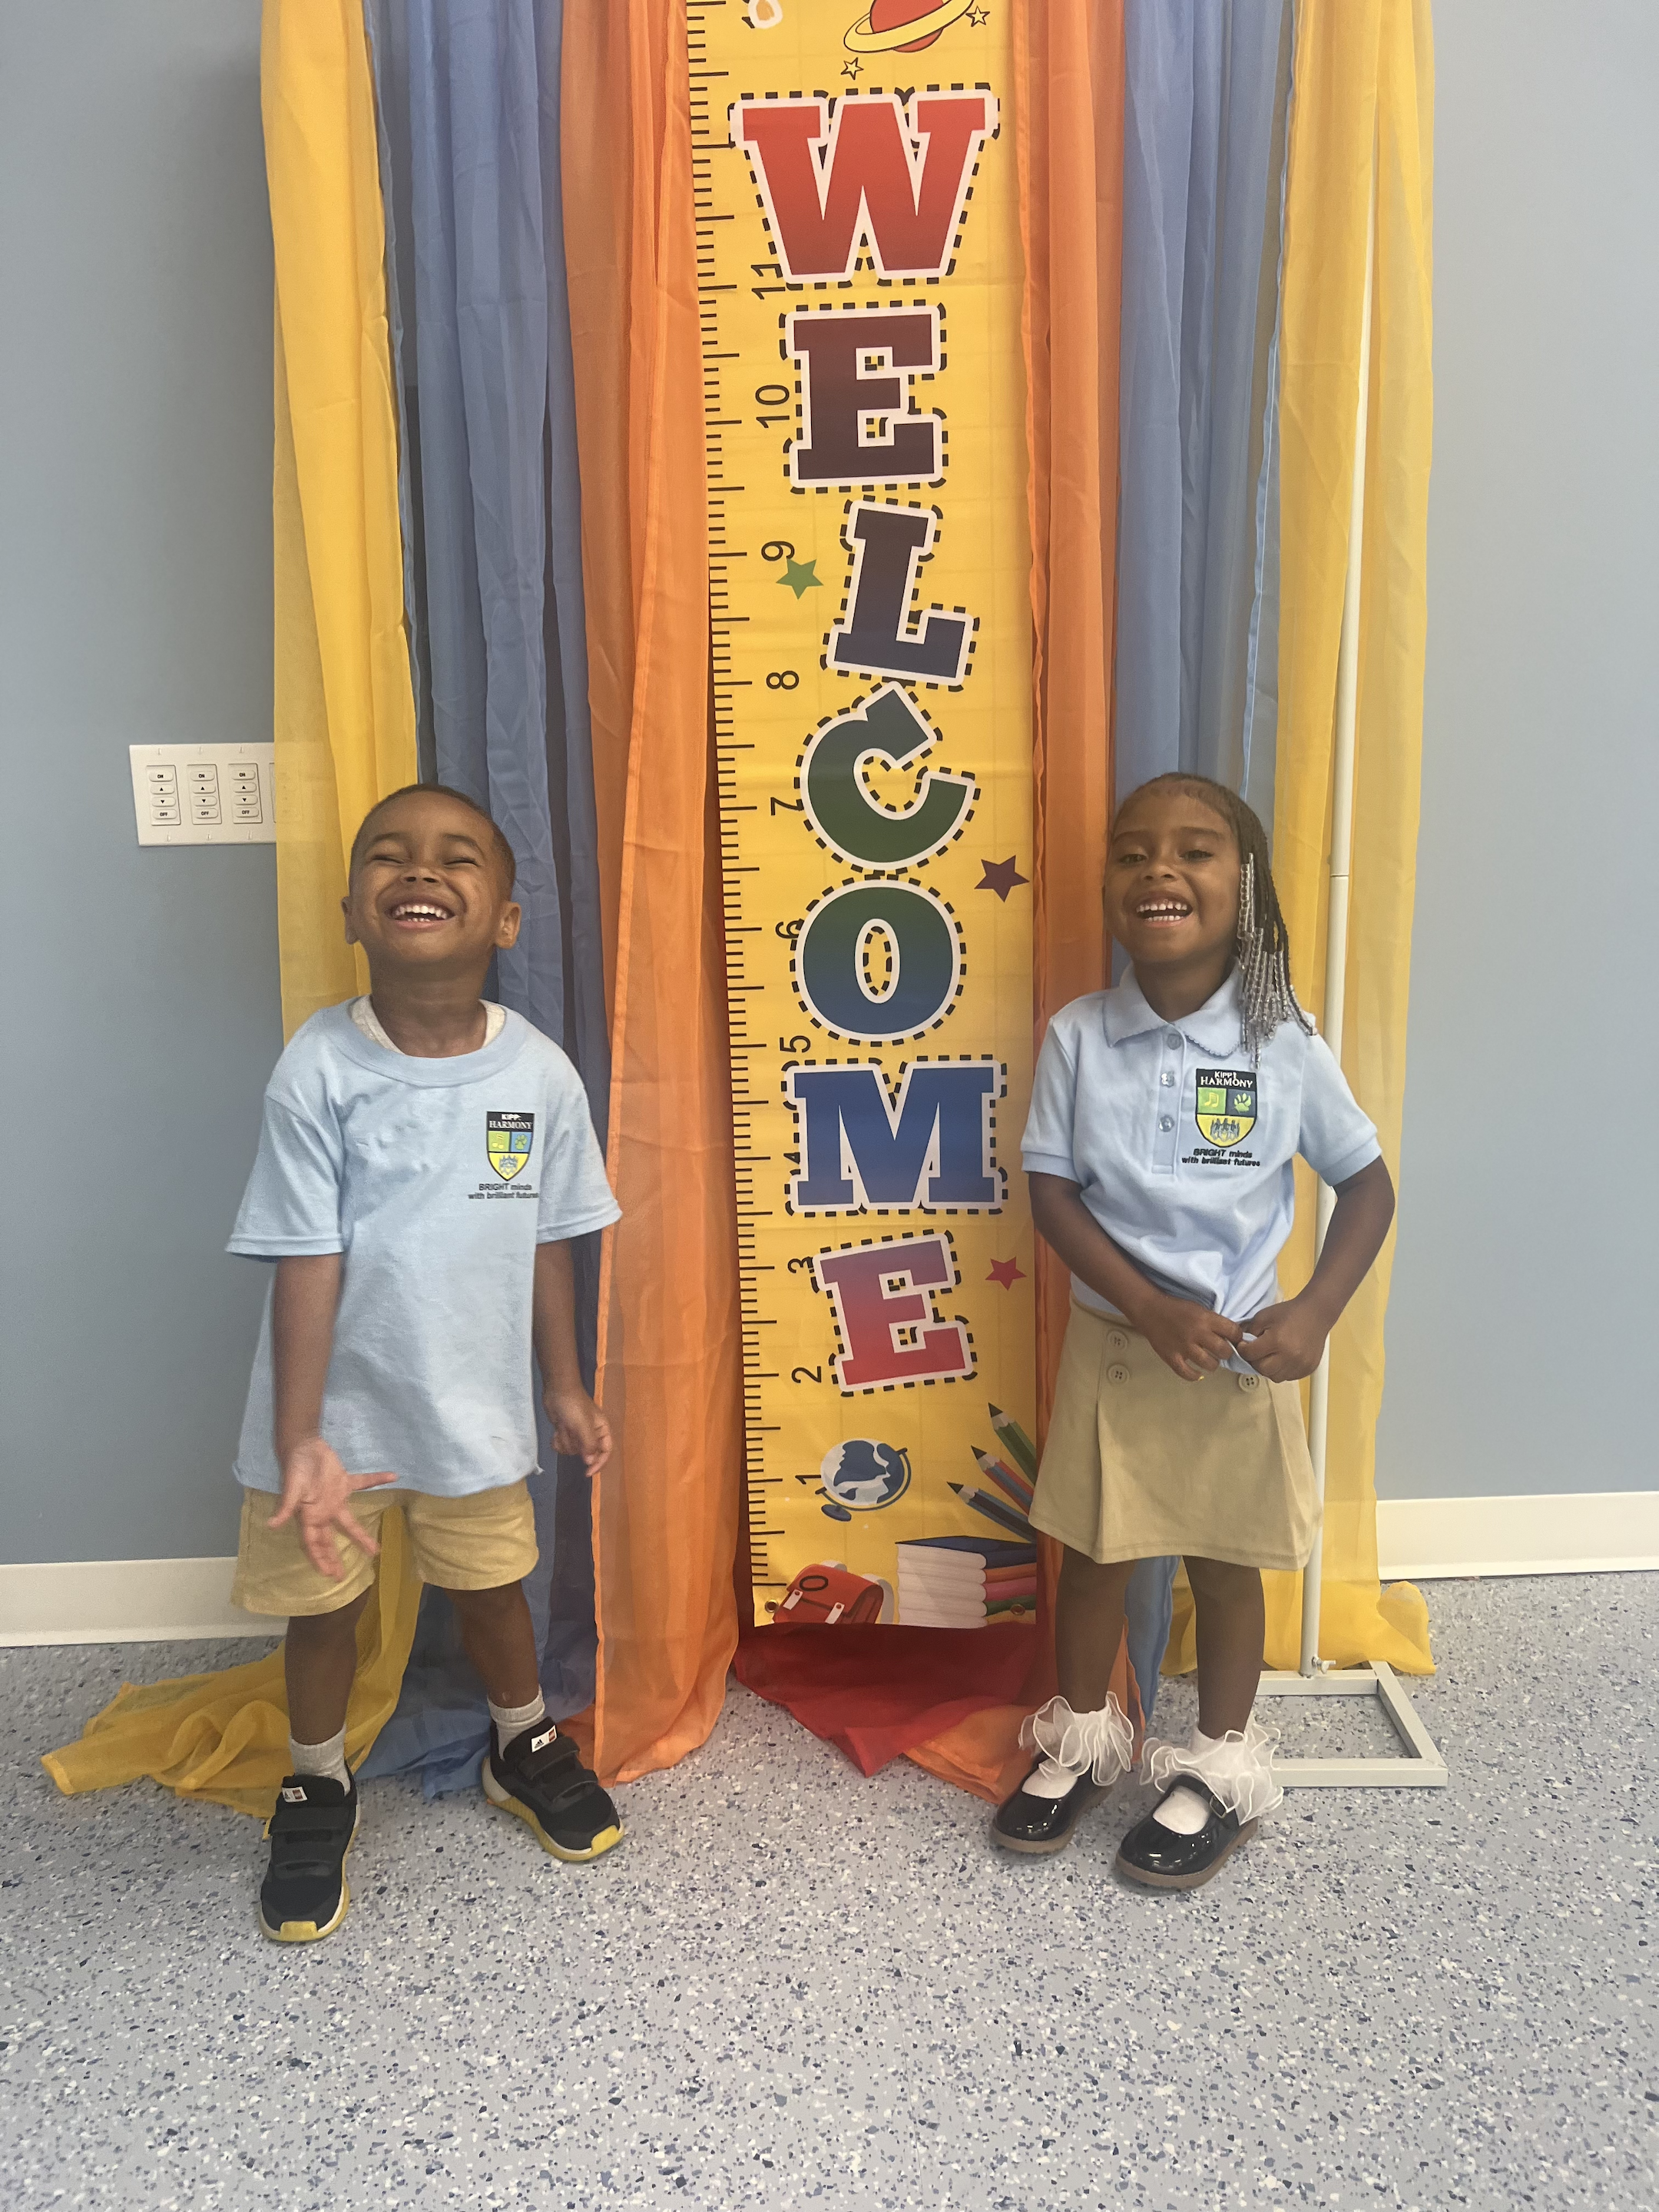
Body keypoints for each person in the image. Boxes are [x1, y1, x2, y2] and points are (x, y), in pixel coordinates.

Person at [227, 783, 623, 1943]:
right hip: (327, 1424)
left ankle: (522, 1742)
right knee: (323, 1609)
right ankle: (314, 1780)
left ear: (503, 917)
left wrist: (563, 1383)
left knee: (493, 1585)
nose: (420, 871)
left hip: (473, 1409)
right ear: (353, 909)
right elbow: (303, 1258)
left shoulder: (540, 1076)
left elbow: (552, 1242)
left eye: (457, 858)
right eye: (389, 857)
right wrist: (303, 1437)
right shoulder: (318, 1068)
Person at [993, 773, 1396, 1889]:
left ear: (1246, 887)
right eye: (1132, 854)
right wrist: (1149, 1303)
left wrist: (1313, 1311)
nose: (1159, 869)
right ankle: (1080, 1738)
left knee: (1224, 1566)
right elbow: (1055, 1195)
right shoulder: (1079, 1037)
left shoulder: (1287, 1043)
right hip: (1119, 1351)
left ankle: (1217, 1768)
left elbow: (1366, 1187)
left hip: (1233, 1364)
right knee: (1095, 1557)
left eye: (1196, 851)